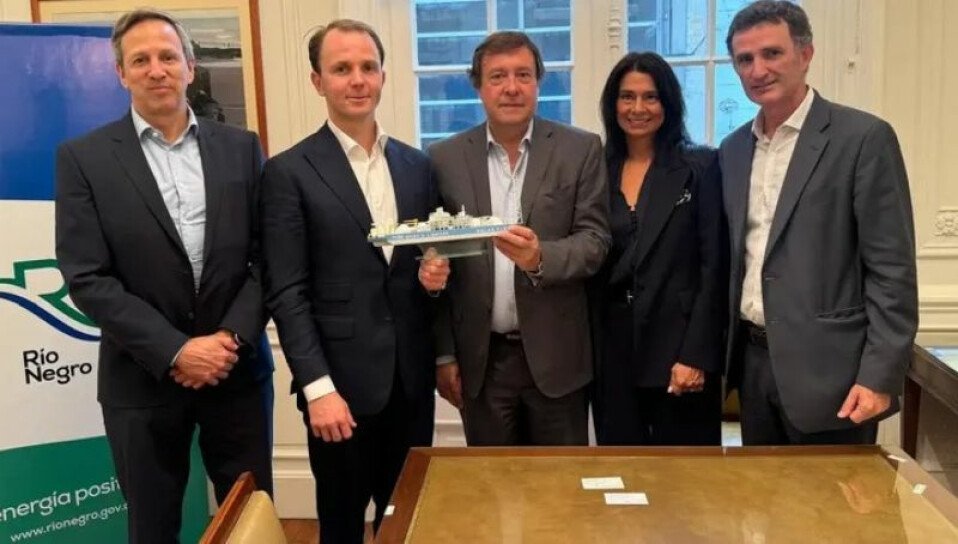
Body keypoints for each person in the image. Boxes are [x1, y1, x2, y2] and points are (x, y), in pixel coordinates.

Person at [54, 9, 272, 543]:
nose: (157, 70)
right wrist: (176, 350)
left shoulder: (241, 149)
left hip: (235, 372)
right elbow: (87, 276)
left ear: (190, 67)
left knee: (251, 521)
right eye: (141, 60)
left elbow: (268, 257)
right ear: (121, 73)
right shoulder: (83, 159)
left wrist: (227, 340)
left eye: (168, 57)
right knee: (152, 528)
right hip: (141, 380)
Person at [260, 19, 436, 544]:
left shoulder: (416, 166)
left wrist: (433, 279)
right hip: (338, 390)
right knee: (340, 524)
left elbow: (420, 270)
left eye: (367, 67)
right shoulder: (289, 172)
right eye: (341, 69)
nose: (357, 79)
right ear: (318, 81)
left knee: (406, 520)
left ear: (383, 76)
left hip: (410, 383)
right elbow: (287, 292)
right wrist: (318, 389)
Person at [721, 0, 917, 445]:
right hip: (752, 366)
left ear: (806, 54)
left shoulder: (863, 139)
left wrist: (879, 377)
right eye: (745, 59)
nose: (758, 70)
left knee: (835, 493)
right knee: (761, 491)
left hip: (835, 376)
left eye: (772, 53)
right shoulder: (733, 149)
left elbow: (892, 271)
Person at [419, 31, 610, 446]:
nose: (511, 87)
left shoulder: (580, 149)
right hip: (481, 363)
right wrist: (445, 353)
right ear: (479, 86)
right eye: (498, 76)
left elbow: (595, 242)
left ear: (538, 82)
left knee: (560, 481)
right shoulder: (443, 158)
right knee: (493, 482)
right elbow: (436, 256)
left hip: (559, 359)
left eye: (523, 75)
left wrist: (540, 257)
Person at [592, 52, 727, 446]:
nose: (638, 108)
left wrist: (697, 356)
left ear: (668, 103)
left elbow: (714, 268)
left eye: (650, 97)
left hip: (680, 350)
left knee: (685, 475)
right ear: (612, 104)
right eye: (627, 97)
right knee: (621, 470)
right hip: (613, 353)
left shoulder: (701, 167)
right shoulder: (595, 169)